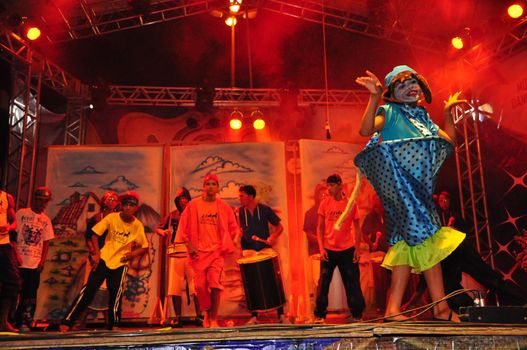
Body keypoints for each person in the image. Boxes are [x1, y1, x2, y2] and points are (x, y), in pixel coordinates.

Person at [354, 65, 466, 322]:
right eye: (403, 85)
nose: (410, 88)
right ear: (392, 93)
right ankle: (441, 308)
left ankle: (393, 309)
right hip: (400, 188)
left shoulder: (424, 117)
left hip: (419, 190)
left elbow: (449, 141)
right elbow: (365, 129)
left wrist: (448, 112)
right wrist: (374, 97)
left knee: (406, 245)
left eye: (413, 83)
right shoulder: (390, 112)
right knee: (427, 238)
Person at [61, 191, 149, 331]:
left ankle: (114, 324)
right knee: (89, 290)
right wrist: (96, 254)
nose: (128, 207)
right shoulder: (112, 218)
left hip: (120, 263)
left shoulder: (137, 225)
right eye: (125, 204)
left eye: (131, 205)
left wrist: (131, 255)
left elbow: (144, 247)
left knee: (116, 293)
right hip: (104, 258)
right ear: (122, 205)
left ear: (135, 208)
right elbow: (95, 235)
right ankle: (67, 321)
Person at [176, 174, 239, 328]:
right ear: (204, 187)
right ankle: (207, 313)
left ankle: (213, 318)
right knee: (200, 287)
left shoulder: (223, 207)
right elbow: (182, 228)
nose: (211, 187)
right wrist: (190, 246)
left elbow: (234, 227)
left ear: (217, 188)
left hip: (216, 253)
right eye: (208, 184)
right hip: (198, 253)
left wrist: (234, 240)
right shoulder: (193, 205)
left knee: (215, 284)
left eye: (214, 184)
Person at [313, 174, 365, 323]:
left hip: (348, 249)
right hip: (329, 250)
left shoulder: (350, 204)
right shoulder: (324, 204)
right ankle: (319, 315)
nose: (329, 188)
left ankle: (357, 315)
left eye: (332, 185)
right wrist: (322, 248)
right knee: (323, 283)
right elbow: (320, 228)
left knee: (352, 282)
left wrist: (357, 248)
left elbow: (357, 227)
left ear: (340, 185)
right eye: (328, 185)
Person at [238, 184, 286, 325]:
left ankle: (281, 315)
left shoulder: (264, 210)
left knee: (273, 279)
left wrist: (273, 237)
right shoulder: (240, 212)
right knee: (251, 282)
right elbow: (242, 230)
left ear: (251, 196)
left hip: (264, 248)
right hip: (249, 249)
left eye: (242, 196)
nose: (239, 198)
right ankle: (254, 316)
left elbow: (279, 227)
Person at [74, 191, 120, 330]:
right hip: (96, 258)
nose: (112, 201)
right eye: (110, 199)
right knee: (90, 288)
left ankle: (110, 322)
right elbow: (89, 237)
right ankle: (80, 321)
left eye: (114, 199)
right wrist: (94, 252)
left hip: (112, 259)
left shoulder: (118, 219)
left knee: (110, 289)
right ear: (104, 201)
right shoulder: (96, 218)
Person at [155, 187, 201, 327]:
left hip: (191, 252)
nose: (184, 202)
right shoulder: (173, 215)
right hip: (176, 251)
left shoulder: (195, 215)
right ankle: (178, 317)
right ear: (177, 201)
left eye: (186, 199)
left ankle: (199, 315)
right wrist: (163, 233)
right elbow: (158, 228)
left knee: (195, 286)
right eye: (181, 199)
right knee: (174, 286)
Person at [13, 187, 55, 331]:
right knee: (15, 291)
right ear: (34, 199)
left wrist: (42, 261)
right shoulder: (22, 213)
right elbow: (13, 236)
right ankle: (11, 319)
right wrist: (16, 256)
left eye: (45, 202)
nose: (42, 204)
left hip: (35, 262)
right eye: (40, 201)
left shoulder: (45, 220)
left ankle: (26, 320)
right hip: (20, 260)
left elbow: (46, 242)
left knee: (30, 293)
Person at [0, 189, 20, 332]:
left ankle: (3, 321)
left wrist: (8, 227)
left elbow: (14, 222)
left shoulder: (7, 196)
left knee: (13, 282)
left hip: (3, 245)